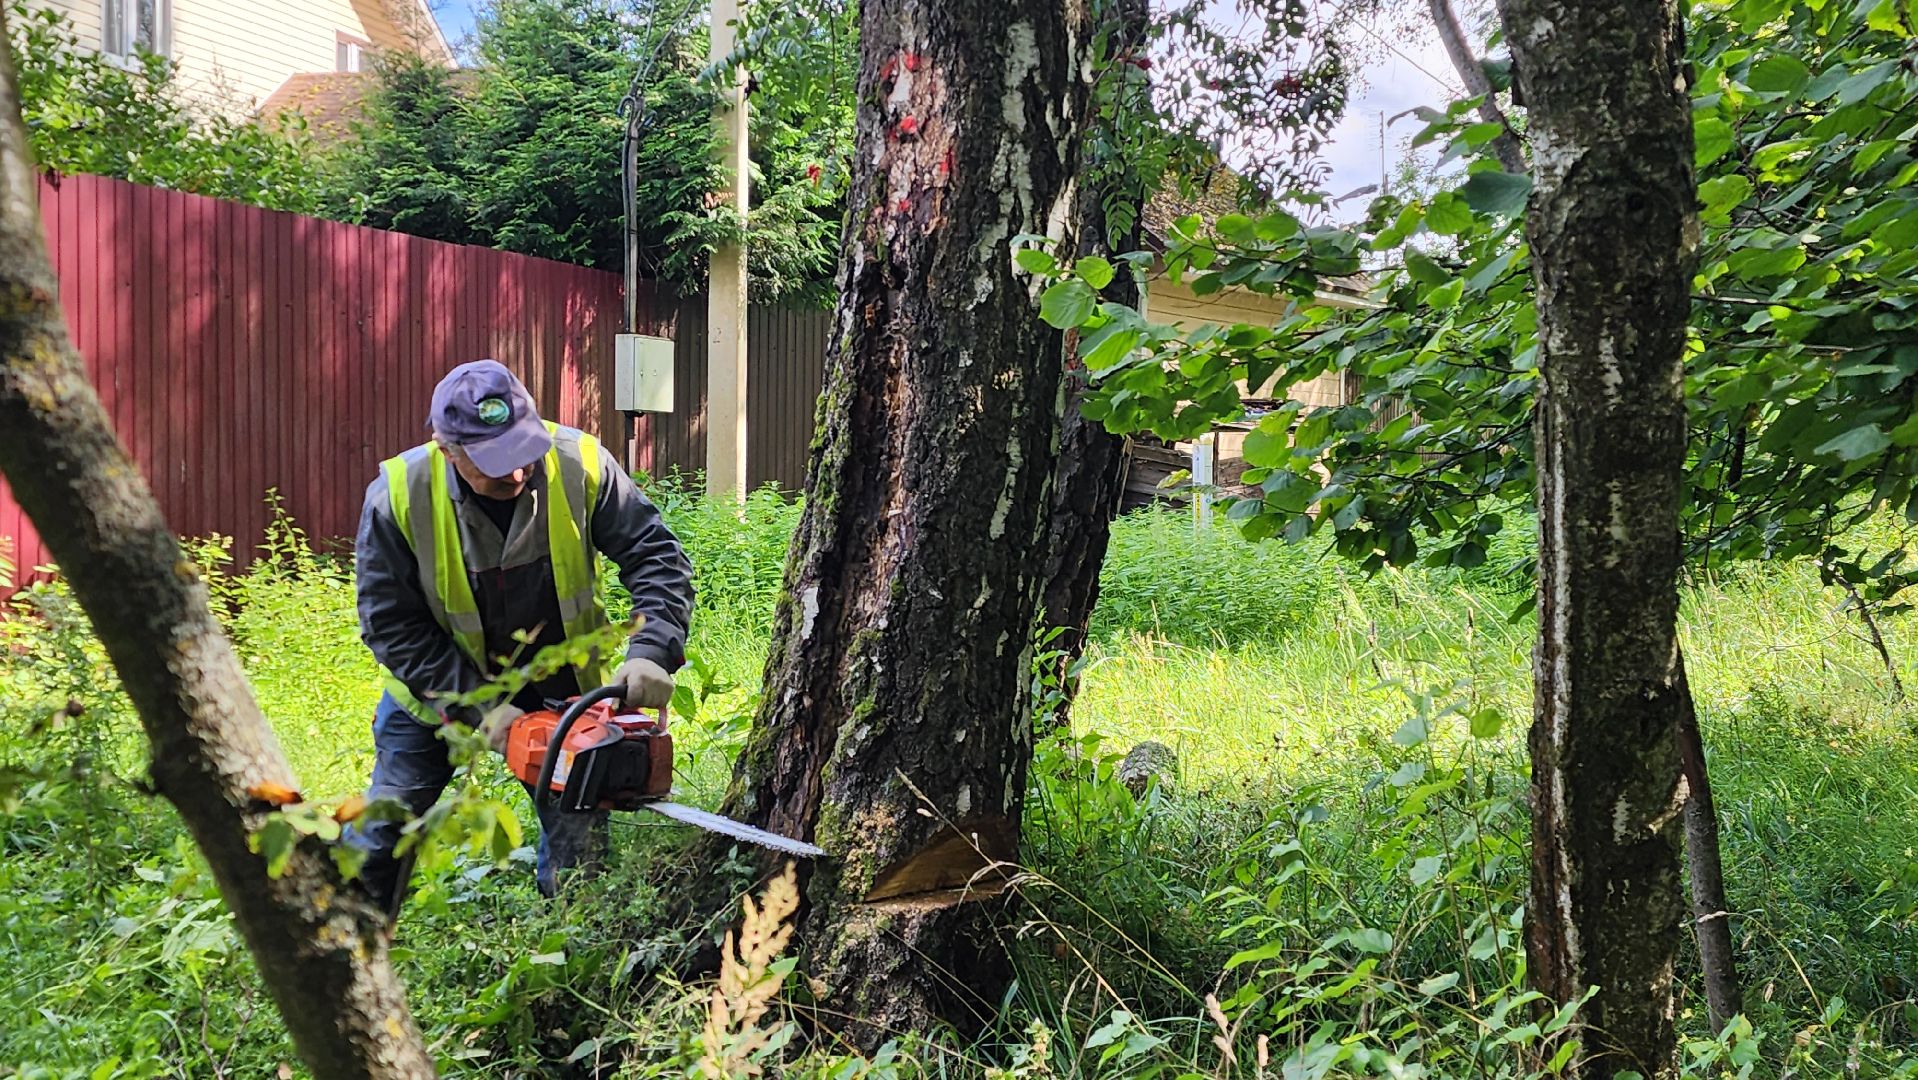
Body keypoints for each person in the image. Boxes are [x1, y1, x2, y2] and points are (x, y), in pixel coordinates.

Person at [347, 359, 693, 911]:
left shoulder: (579, 463)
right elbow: (391, 624)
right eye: (493, 462)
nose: (514, 474)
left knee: (580, 868)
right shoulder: (398, 496)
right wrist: (484, 708)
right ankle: (346, 952)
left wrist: (652, 648)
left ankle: (569, 957)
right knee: (382, 838)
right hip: (437, 698)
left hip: (566, 694)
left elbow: (655, 556)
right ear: (448, 451)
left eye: (521, 453)